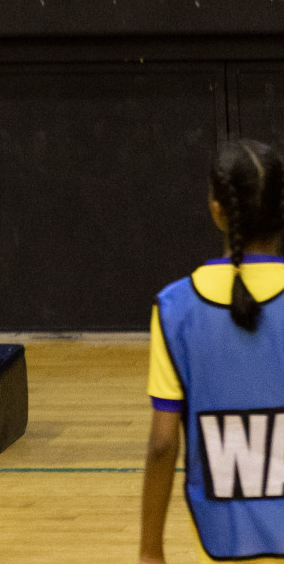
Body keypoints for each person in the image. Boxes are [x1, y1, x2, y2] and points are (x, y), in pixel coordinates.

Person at [141, 139, 284, 564]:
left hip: (223, 538)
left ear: (217, 209)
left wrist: (151, 551)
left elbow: (163, 443)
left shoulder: (175, 307)